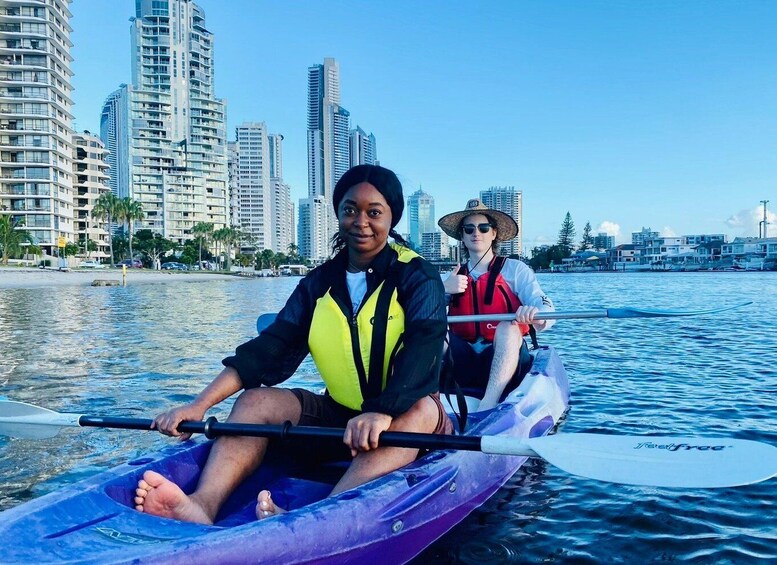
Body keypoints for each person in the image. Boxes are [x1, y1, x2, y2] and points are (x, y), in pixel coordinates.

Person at [134, 164, 452, 524]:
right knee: (255, 400)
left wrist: (383, 411)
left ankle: (321, 517)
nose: (361, 221)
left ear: (391, 218)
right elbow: (268, 349)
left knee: (422, 409)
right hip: (340, 418)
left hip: (405, 419)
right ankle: (202, 505)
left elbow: (424, 348)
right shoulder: (318, 284)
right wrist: (198, 405)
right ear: (338, 214)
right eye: (350, 210)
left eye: (374, 212)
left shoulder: (418, 275)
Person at [437, 198, 555, 411]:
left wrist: (536, 313)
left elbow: (544, 304)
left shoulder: (515, 270)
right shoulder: (451, 277)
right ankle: (426, 401)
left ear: (493, 234)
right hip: (463, 359)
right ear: (462, 236)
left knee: (508, 327)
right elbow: (421, 312)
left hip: (504, 357)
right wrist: (442, 290)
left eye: (483, 228)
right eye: (469, 229)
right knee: (433, 329)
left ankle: (487, 406)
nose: (476, 233)